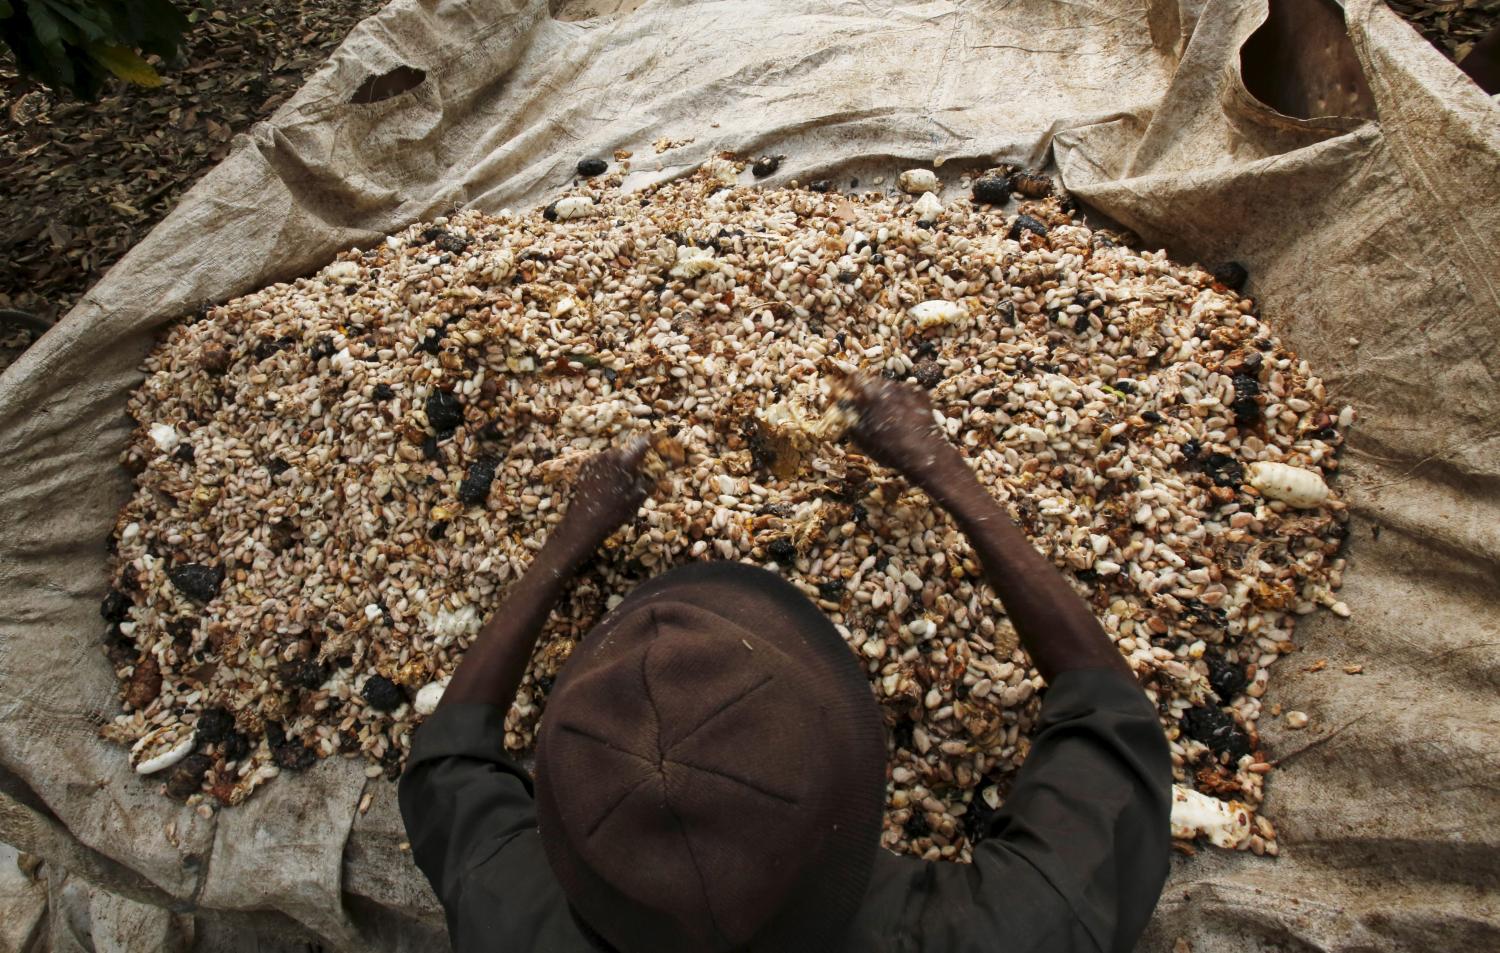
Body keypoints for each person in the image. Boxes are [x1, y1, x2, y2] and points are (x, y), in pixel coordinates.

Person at [399, 377, 1171, 953]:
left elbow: (445, 761)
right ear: (863, 794)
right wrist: (944, 473)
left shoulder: (512, 921)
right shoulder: (998, 934)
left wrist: (567, 542)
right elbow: (1110, 718)